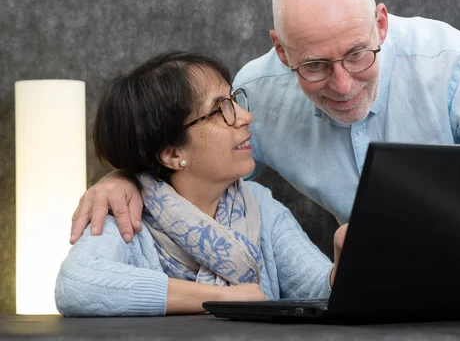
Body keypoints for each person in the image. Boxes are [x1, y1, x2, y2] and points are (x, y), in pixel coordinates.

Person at [69, 0, 460, 314]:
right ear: (282, 53)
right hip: (379, 306)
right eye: (314, 65)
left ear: (381, 24)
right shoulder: (253, 94)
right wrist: (125, 176)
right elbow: (194, 160)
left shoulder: (451, 61)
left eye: (357, 53)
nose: (344, 84)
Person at [55, 51, 347, 316]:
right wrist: (223, 298)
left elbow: (317, 291)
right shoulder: (126, 214)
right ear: (173, 153)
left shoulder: (260, 206)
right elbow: (77, 285)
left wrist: (345, 265)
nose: (246, 117)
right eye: (220, 110)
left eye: (234, 100)